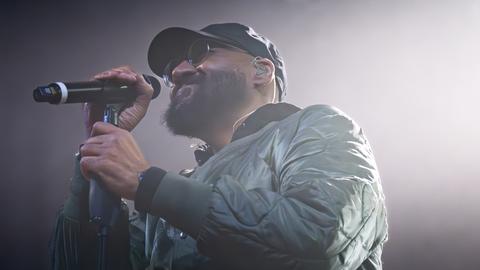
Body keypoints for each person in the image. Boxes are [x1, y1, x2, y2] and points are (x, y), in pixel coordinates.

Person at [50, 23, 388, 270]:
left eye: (198, 54)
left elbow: (322, 239)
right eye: (168, 72)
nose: (178, 73)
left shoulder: (317, 126)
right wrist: (97, 154)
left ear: (261, 70)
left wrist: (148, 184)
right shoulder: (172, 195)